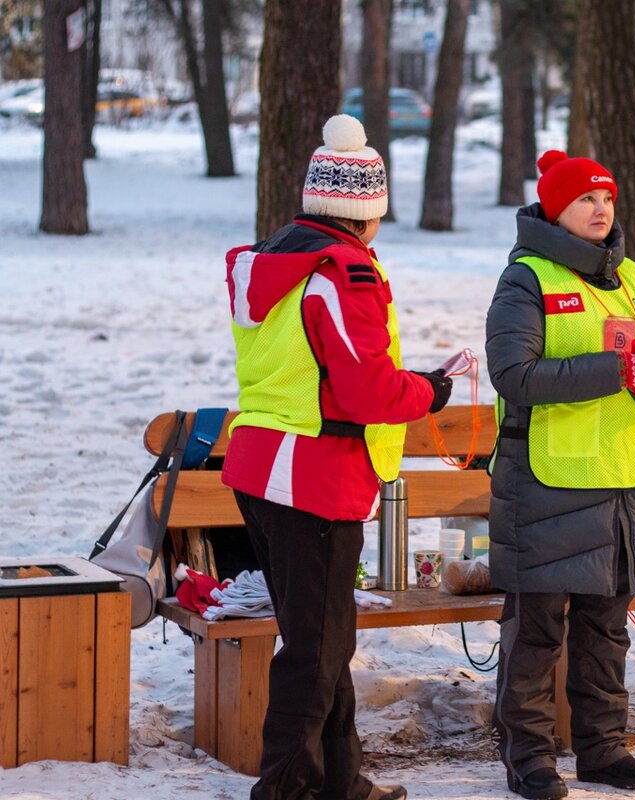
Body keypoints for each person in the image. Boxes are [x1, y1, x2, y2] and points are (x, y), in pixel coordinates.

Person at [220, 114, 452, 800]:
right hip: (313, 476)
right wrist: (432, 391)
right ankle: (287, 788)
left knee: (321, 641)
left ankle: (340, 782)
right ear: (366, 208)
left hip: (261, 466)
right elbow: (367, 388)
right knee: (316, 654)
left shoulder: (273, 259)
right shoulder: (343, 271)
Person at [486, 150, 635, 799]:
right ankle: (529, 757)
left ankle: (602, 749)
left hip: (622, 481)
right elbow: (514, 375)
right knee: (536, 630)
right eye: (585, 200)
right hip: (545, 482)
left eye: (606, 198)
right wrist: (616, 370)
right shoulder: (527, 279)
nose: (600, 209)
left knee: (606, 629)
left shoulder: (633, 277)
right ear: (554, 209)